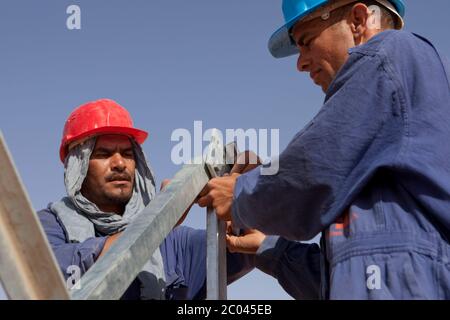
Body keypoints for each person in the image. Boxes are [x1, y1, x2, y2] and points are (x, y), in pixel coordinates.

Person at [199, 0, 450, 299]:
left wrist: (241, 193)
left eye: (305, 42)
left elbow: (315, 168)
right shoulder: (380, 179)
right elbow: (340, 276)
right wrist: (268, 247)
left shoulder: (391, 53)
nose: (300, 63)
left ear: (357, 20)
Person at [38, 98, 254, 300]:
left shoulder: (175, 243)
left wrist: (254, 191)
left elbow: (251, 245)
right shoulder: (48, 227)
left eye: (127, 153)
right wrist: (160, 219)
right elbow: (53, 274)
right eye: (103, 154)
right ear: (78, 167)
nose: (120, 164)